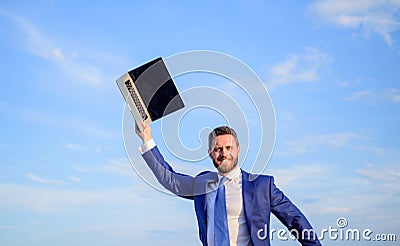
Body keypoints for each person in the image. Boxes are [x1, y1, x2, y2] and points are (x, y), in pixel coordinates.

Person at [135, 121, 321, 246]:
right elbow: (170, 179)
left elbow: (295, 220)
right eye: (217, 149)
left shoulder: (262, 185)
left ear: (238, 150)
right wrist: (147, 139)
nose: (223, 153)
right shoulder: (202, 184)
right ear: (210, 153)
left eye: (228, 148)